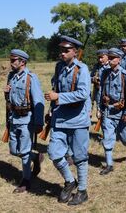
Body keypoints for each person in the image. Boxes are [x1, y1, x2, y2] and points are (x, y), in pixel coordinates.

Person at [44, 36, 91, 206]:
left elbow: (83, 93)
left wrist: (59, 97)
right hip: (60, 118)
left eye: (66, 50)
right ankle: (70, 181)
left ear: (75, 52)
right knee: (54, 152)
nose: (62, 53)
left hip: (78, 119)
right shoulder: (59, 67)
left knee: (79, 157)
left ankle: (82, 190)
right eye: (61, 50)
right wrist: (50, 109)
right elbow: (55, 89)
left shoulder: (82, 69)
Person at [3, 49, 45, 193]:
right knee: (14, 150)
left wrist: (39, 122)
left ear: (22, 62)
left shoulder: (30, 78)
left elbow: (39, 100)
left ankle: (25, 181)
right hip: (14, 118)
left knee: (24, 151)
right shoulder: (11, 77)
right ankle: (36, 157)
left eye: (14, 60)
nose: (11, 63)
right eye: (11, 60)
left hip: (27, 119)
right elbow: (9, 100)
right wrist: (6, 93)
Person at [97, 48, 126, 175]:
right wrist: (99, 108)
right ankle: (109, 164)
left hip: (121, 112)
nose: (110, 60)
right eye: (109, 57)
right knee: (107, 138)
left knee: (125, 138)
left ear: (119, 60)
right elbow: (100, 92)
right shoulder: (104, 73)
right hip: (108, 111)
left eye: (113, 58)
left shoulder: (125, 75)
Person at [91, 49, 110, 114]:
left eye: (102, 57)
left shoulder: (111, 66)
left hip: (108, 92)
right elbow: (90, 77)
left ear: (107, 56)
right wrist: (94, 79)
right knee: (99, 109)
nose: (100, 60)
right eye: (99, 58)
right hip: (98, 91)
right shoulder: (96, 66)